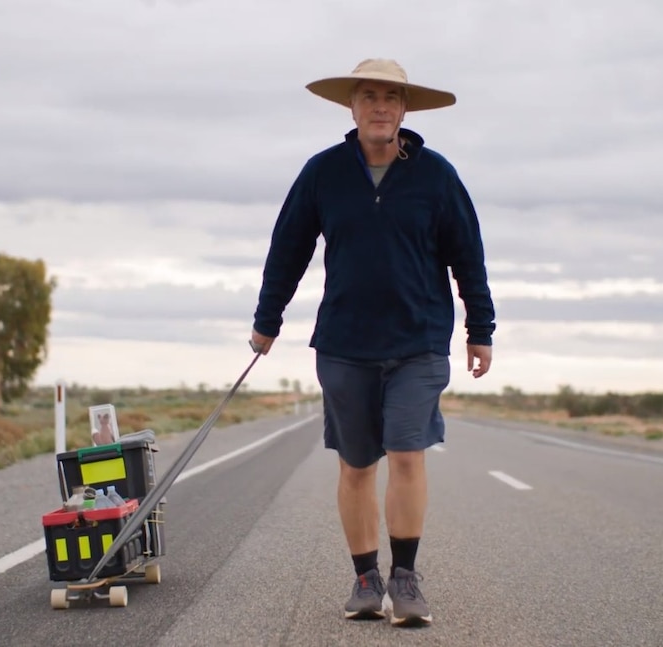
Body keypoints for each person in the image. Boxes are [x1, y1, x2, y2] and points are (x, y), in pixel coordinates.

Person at [250, 58, 496, 628]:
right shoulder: (323, 172)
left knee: (407, 454)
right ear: (352, 107)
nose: (380, 105)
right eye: (368, 95)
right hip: (344, 344)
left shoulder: (437, 175)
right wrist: (268, 321)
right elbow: (287, 250)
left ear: (404, 109)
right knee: (357, 464)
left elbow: (470, 257)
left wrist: (479, 329)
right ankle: (366, 579)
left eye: (391, 96)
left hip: (418, 343)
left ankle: (405, 580)